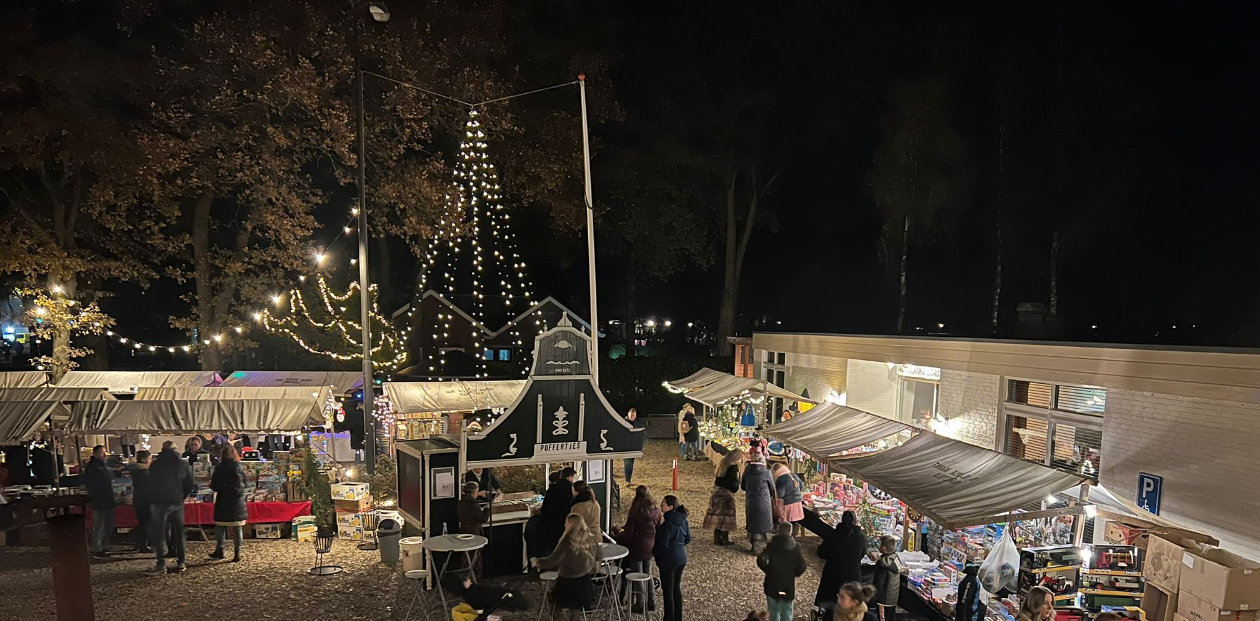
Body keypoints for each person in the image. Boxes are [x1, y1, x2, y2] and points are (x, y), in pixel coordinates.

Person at [536, 513, 600, 621]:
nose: (564, 525)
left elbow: (553, 560)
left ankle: (556, 617)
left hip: (568, 581)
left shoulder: (567, 542)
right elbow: (599, 556)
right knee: (575, 612)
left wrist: (537, 562)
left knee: (558, 605)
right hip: (584, 580)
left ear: (571, 526)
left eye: (566, 523)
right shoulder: (591, 539)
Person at [807, 509, 867, 621]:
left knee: (829, 603)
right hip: (852, 576)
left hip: (832, 575)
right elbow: (862, 554)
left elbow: (821, 553)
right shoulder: (861, 538)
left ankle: (823, 616)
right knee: (849, 606)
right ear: (855, 521)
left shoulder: (833, 535)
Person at [147, 440, 196, 575]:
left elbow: (150, 484)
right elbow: (189, 484)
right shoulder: (182, 464)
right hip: (176, 501)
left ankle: (161, 563)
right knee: (179, 531)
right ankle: (181, 562)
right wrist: (182, 496)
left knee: (159, 532)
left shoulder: (156, 464)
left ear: (163, 449)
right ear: (175, 450)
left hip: (161, 501)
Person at [615, 485, 662, 612]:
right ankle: (651, 602)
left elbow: (629, 534)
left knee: (637, 574)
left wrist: (619, 535)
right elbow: (660, 528)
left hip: (637, 547)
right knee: (648, 574)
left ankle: (640, 603)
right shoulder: (656, 510)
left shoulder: (635, 512)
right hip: (651, 545)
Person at [757, 521, 807, 621]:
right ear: (790, 532)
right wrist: (795, 573)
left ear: (778, 531)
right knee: (787, 610)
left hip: (772, 582)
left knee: (773, 610)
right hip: (788, 583)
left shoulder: (771, 545)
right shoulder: (795, 548)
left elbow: (761, 559)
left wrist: (768, 570)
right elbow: (802, 565)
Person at [653, 494, 691, 621]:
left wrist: (657, 555)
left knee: (667, 590)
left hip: (669, 560)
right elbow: (688, 538)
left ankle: (669, 617)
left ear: (669, 507)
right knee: (676, 588)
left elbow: (661, 545)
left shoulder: (667, 525)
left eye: (663, 504)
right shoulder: (683, 520)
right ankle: (678, 617)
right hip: (681, 558)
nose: (660, 506)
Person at [209, 444, 247, 562]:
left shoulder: (219, 468)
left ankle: (220, 550)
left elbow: (214, 486)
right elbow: (245, 482)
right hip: (237, 500)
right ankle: (237, 553)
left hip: (223, 500)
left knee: (221, 526)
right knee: (237, 528)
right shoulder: (239, 467)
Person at [703, 448, 743, 546]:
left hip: (717, 492)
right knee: (726, 518)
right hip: (726, 494)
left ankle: (717, 537)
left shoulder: (723, 464)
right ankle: (724, 538)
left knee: (718, 516)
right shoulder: (733, 468)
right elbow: (733, 484)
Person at [83, 445, 116, 559]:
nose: (105, 455)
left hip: (107, 499)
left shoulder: (103, 466)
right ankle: (98, 548)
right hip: (100, 500)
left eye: (105, 452)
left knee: (108, 524)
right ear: (96, 454)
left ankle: (104, 545)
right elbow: (92, 485)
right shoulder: (93, 468)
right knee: (100, 524)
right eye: (102, 453)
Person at [742, 454, 776, 554]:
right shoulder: (767, 472)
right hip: (764, 501)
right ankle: (764, 546)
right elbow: (772, 488)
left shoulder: (747, 471)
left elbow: (743, 486)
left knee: (753, 520)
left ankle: (754, 546)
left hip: (751, 499)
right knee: (764, 521)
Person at [541, 467, 577, 553]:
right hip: (567, 520)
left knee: (554, 545)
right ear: (570, 477)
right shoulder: (572, 490)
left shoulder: (551, 489)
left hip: (552, 522)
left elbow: (544, 508)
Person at [871, 535, 901, 621]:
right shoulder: (895, 559)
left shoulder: (883, 564)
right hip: (893, 599)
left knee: (882, 618)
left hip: (883, 600)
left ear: (883, 548)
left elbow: (879, 584)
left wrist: (873, 599)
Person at [129, 450, 154, 553]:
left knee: (143, 522)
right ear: (144, 459)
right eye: (149, 458)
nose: (150, 461)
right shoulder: (144, 473)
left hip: (139, 499)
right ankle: (142, 545)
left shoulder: (136, 471)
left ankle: (139, 543)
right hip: (145, 500)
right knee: (145, 522)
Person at [771, 463, 805, 537]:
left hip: (788, 504)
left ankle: (786, 536)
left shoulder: (780, 479)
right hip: (798, 503)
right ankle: (794, 534)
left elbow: (781, 494)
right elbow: (802, 486)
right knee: (795, 522)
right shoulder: (794, 475)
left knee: (786, 523)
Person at [623, 408, 642, 484]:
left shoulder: (637, 422)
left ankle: (629, 479)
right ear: (628, 414)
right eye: (631, 416)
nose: (632, 417)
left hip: (634, 446)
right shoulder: (623, 422)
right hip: (626, 446)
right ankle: (627, 480)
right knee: (628, 463)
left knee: (631, 462)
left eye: (633, 416)